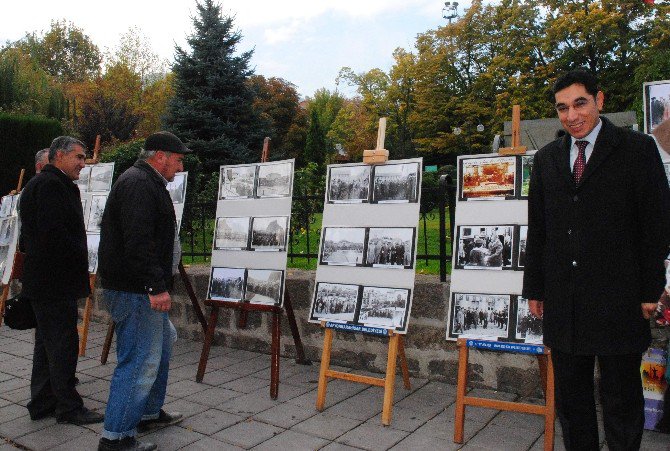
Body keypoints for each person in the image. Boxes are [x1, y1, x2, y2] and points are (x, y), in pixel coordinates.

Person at [523, 69, 670, 450]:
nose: (571, 115)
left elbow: (656, 225)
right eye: (562, 108)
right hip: (565, 302)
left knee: (621, 399)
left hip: (619, 299)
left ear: (599, 100)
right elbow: (538, 228)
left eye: (579, 103)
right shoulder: (547, 159)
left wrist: (650, 290)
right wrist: (535, 287)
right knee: (572, 403)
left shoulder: (636, 149)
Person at [97, 131, 189, 451]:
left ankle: (148, 412)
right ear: (160, 156)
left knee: (164, 343)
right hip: (135, 291)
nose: (179, 168)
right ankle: (116, 437)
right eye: (177, 160)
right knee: (139, 361)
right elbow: (138, 241)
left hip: (137, 288)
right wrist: (155, 286)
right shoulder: (138, 183)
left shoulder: (147, 181)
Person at [19, 136, 104, 425]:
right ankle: (68, 407)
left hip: (47, 281)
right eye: (78, 157)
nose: (83, 163)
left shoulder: (45, 184)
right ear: (59, 156)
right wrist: (79, 253)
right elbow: (52, 235)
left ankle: (43, 401)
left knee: (46, 344)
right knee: (63, 345)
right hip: (54, 283)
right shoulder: (51, 186)